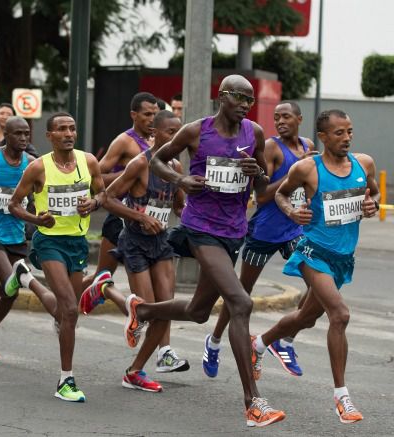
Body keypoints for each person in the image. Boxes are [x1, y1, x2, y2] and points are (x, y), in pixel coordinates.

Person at [137, 75, 285, 426]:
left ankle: (142, 311)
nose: (247, 105)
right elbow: (156, 159)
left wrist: (257, 171)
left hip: (234, 230)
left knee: (199, 310)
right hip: (200, 228)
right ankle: (253, 403)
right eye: (240, 98)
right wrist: (180, 180)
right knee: (241, 302)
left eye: (250, 100)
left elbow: (262, 183)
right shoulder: (195, 131)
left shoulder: (255, 134)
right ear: (222, 97)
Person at [251, 109, 379, 424]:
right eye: (339, 133)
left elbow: (373, 192)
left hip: (342, 258)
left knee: (306, 318)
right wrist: (293, 213)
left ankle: (260, 342)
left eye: (349, 131)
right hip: (313, 252)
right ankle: (343, 398)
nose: (347, 138)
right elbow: (278, 195)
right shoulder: (307, 169)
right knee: (340, 314)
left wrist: (372, 203)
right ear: (322, 136)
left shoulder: (364, 164)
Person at [203, 101, 316, 379]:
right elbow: (262, 196)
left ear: (299, 119)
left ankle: (285, 340)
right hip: (264, 232)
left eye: (286, 117)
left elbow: (309, 186)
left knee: (319, 286)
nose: (280, 122)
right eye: (276, 117)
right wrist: (295, 173)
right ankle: (214, 341)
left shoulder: (307, 145)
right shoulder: (272, 148)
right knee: (240, 294)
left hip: (294, 230)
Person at [79, 111, 189, 393]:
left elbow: (178, 205)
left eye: (179, 133)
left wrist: (190, 212)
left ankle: (135, 371)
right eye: (169, 132)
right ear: (155, 134)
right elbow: (107, 198)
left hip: (161, 242)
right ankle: (104, 289)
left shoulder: (175, 165)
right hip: (135, 241)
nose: (174, 138)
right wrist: (140, 217)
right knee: (150, 312)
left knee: (165, 310)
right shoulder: (140, 165)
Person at [8, 112, 105, 402]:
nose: (68, 133)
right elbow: (14, 205)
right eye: (61, 129)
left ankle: (25, 277)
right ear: (49, 136)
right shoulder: (38, 168)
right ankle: (66, 381)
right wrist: (37, 220)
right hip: (48, 242)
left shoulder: (89, 161)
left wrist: (94, 202)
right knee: (71, 311)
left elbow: (105, 194)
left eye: (72, 128)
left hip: (77, 242)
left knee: (66, 312)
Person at [0, 116, 54, 360]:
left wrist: (40, 216)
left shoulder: (32, 164)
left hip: (16, 229)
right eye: (18, 134)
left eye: (27, 133)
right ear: (6, 134)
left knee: (11, 292)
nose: (24, 138)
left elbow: (37, 196)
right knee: (10, 282)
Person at [82, 92, 158, 291]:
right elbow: (94, 177)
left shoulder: (159, 140)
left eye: (155, 114)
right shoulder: (124, 141)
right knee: (102, 277)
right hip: (121, 216)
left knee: (150, 276)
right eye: (147, 114)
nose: (152, 119)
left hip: (148, 216)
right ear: (134, 115)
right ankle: (64, 303)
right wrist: (129, 174)